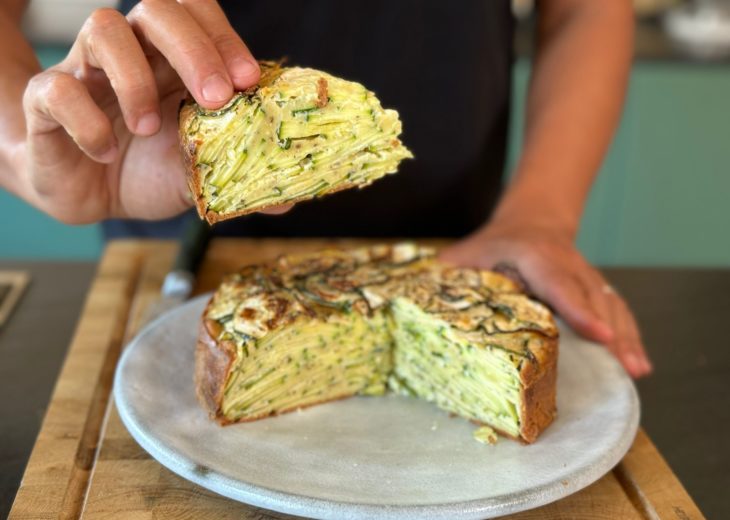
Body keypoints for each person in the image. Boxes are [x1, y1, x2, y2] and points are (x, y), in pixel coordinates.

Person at [0, 0, 652, 377]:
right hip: (169, 238)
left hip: (455, 259)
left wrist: (539, 213)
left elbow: (586, 10)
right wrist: (30, 154)